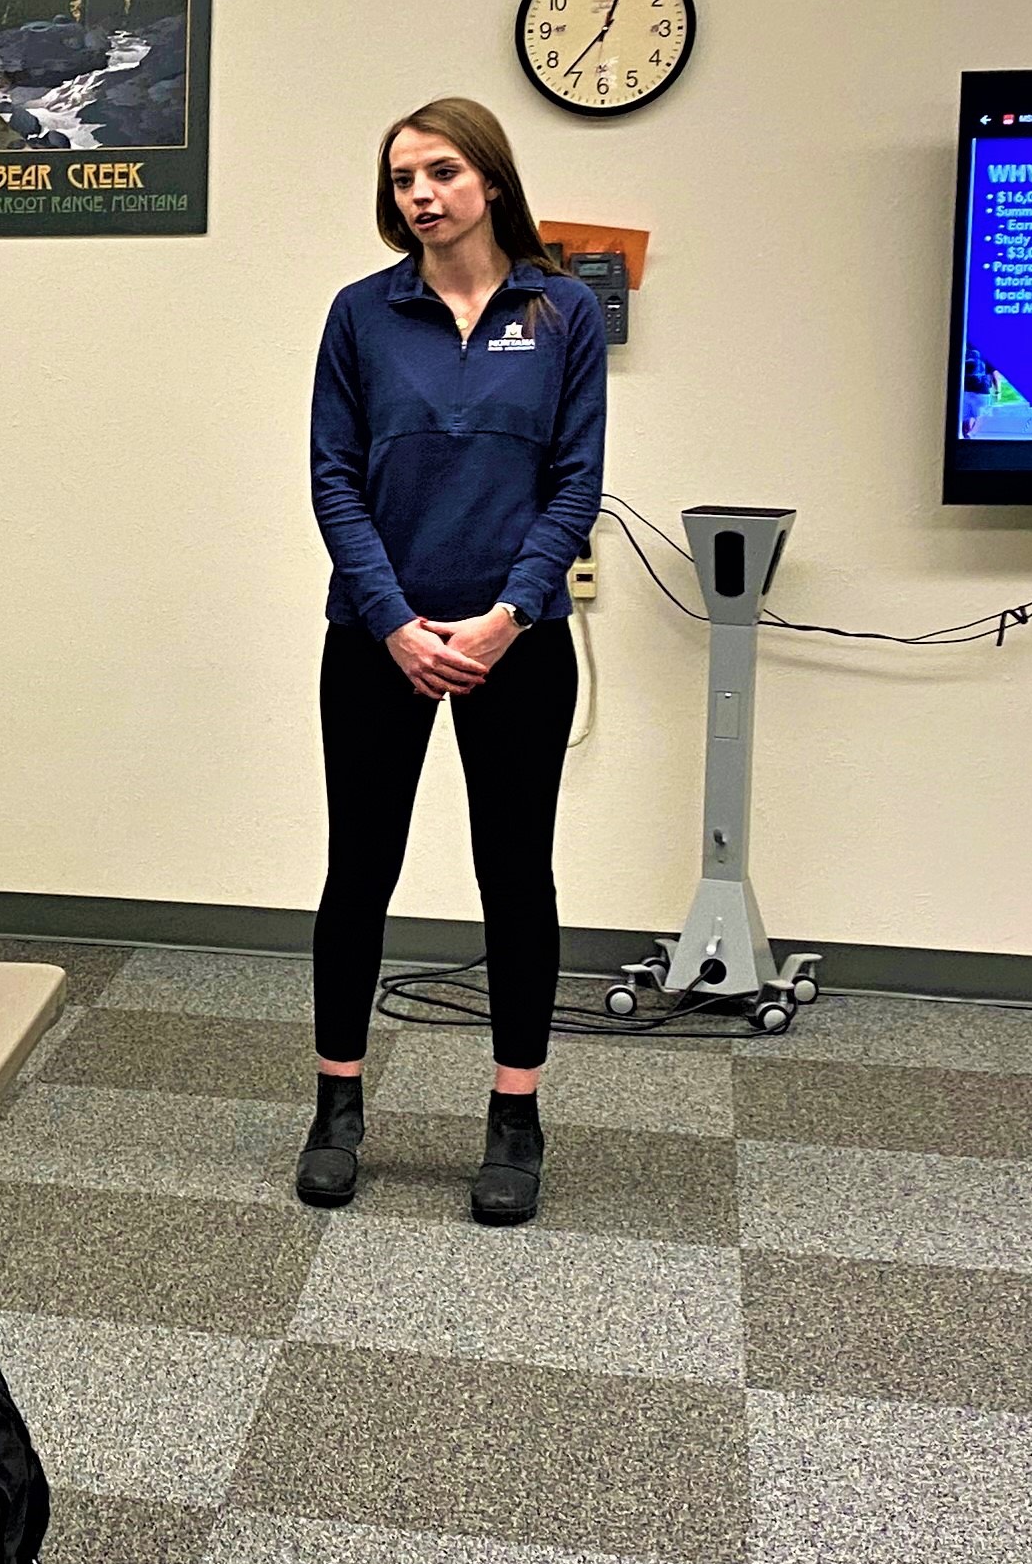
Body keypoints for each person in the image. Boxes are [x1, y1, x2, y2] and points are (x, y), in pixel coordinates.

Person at [302, 97, 605, 1226]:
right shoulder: (359, 315)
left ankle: (513, 1113)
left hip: (512, 647)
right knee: (358, 871)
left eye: (438, 172)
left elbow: (574, 481)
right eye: (399, 181)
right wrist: (392, 621)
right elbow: (332, 475)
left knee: (513, 877)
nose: (418, 195)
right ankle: (336, 1102)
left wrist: (504, 615)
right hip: (375, 639)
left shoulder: (559, 310)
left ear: (488, 178)